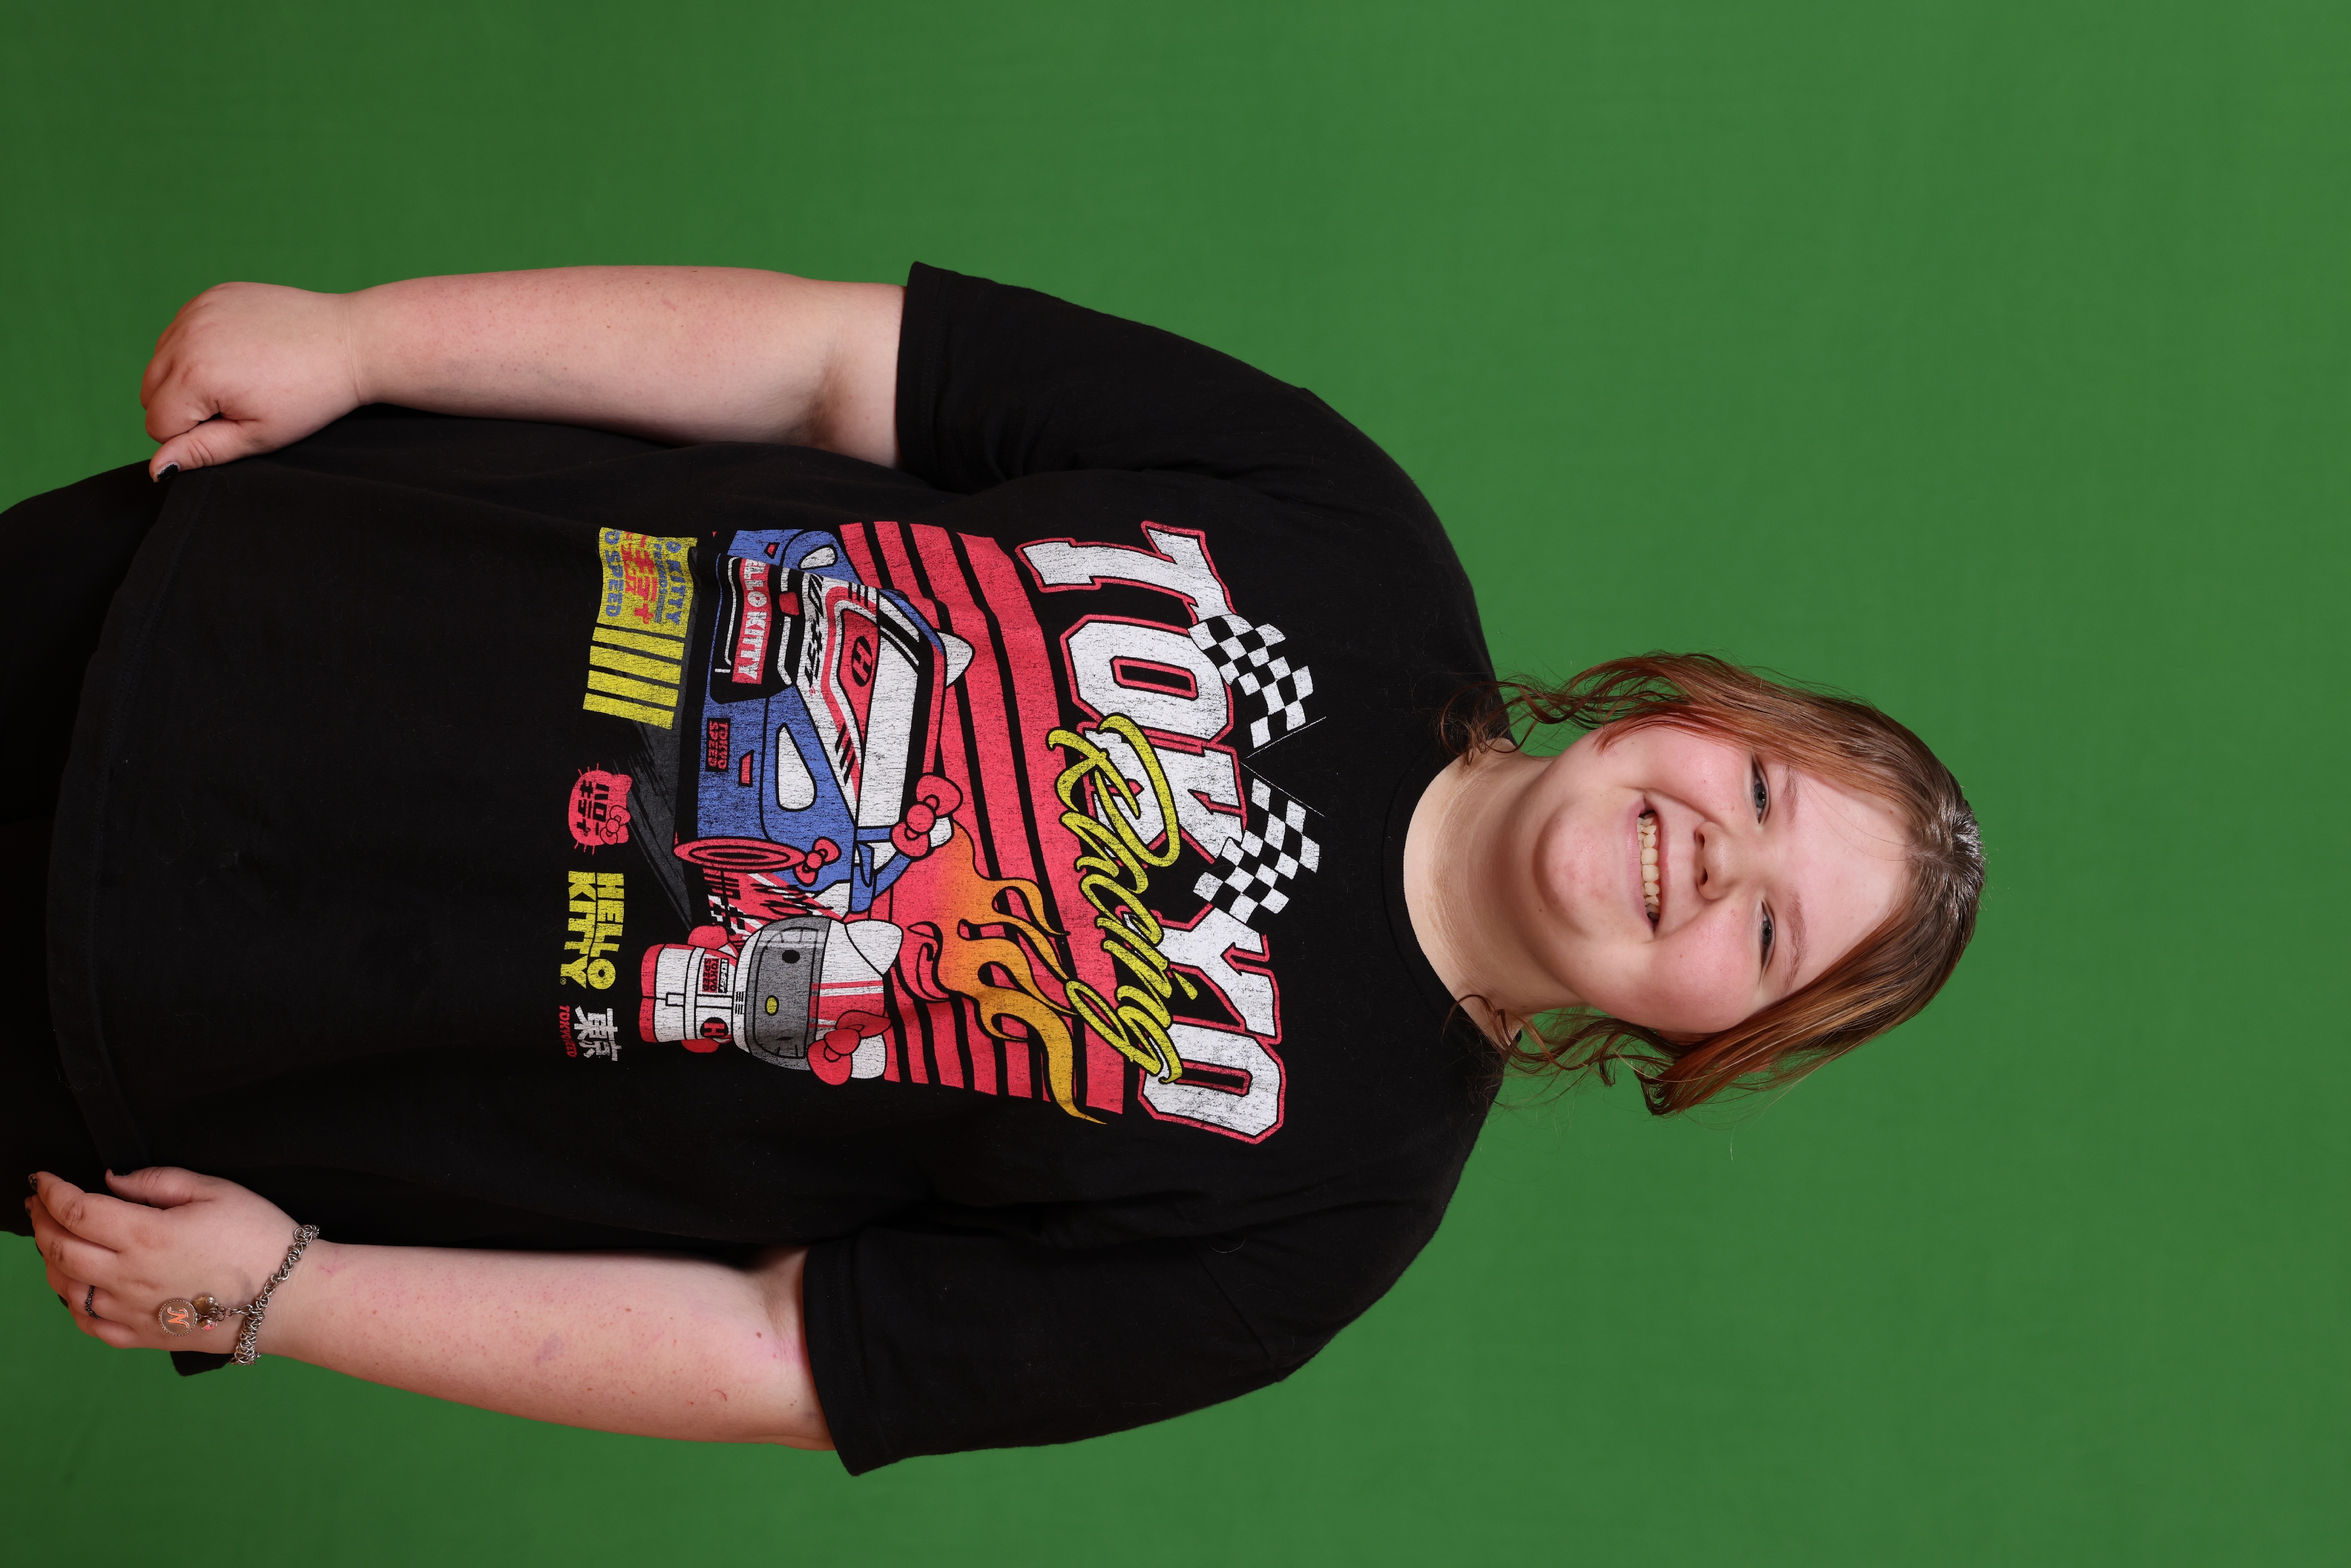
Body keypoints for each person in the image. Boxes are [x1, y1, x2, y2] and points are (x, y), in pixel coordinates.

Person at [6, 264, 1982, 1470]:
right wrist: (364, 339)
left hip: (218, 1034)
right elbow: (827, 364)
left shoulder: (1319, 1230)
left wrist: (293, 1296)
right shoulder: (1349, 526)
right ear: (1692, 710)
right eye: (1762, 784)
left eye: (1771, 930)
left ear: (1711, 1042)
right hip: (264, 603)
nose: (1712, 853)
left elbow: (780, 1353)